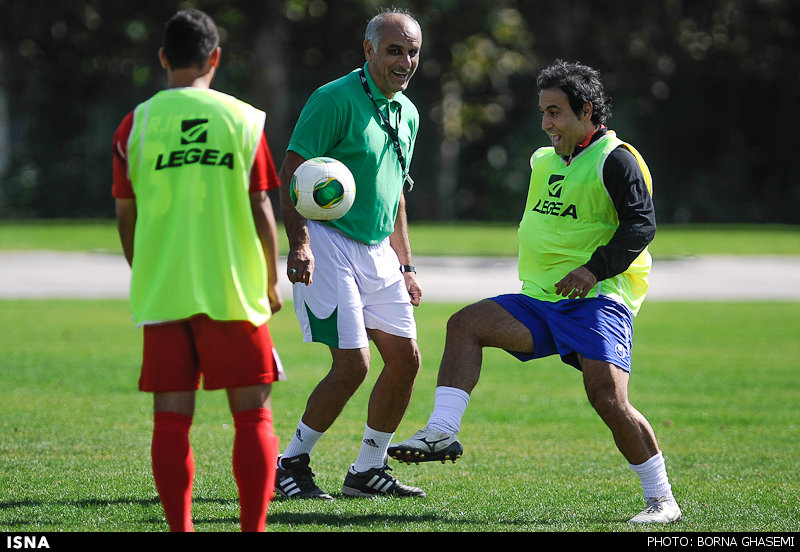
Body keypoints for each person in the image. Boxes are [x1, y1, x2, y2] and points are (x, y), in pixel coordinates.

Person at [389, 60, 682, 524]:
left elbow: (641, 226)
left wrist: (592, 270)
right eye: (543, 113)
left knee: (608, 398)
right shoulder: (544, 160)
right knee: (466, 324)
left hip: (598, 300)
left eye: (555, 113)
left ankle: (662, 499)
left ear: (586, 110)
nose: (546, 124)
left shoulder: (617, 159)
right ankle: (442, 431)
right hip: (542, 299)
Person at [112, 9, 284, 532]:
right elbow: (260, 208)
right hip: (232, 289)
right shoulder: (243, 119)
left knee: (171, 416)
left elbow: (126, 214)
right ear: (215, 58)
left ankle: (180, 529)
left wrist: (146, 270)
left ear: (163, 58)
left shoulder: (135, 124)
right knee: (253, 415)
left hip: (164, 291)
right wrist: (272, 279)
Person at [274, 7, 425, 500]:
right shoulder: (334, 99)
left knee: (405, 360)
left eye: (413, 52)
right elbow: (292, 172)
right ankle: (290, 463)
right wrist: (298, 244)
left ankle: (367, 470)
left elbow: (396, 194)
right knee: (353, 364)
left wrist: (406, 265)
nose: (405, 60)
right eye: (394, 50)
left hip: (379, 250)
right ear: (368, 50)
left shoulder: (409, 113)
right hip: (327, 241)